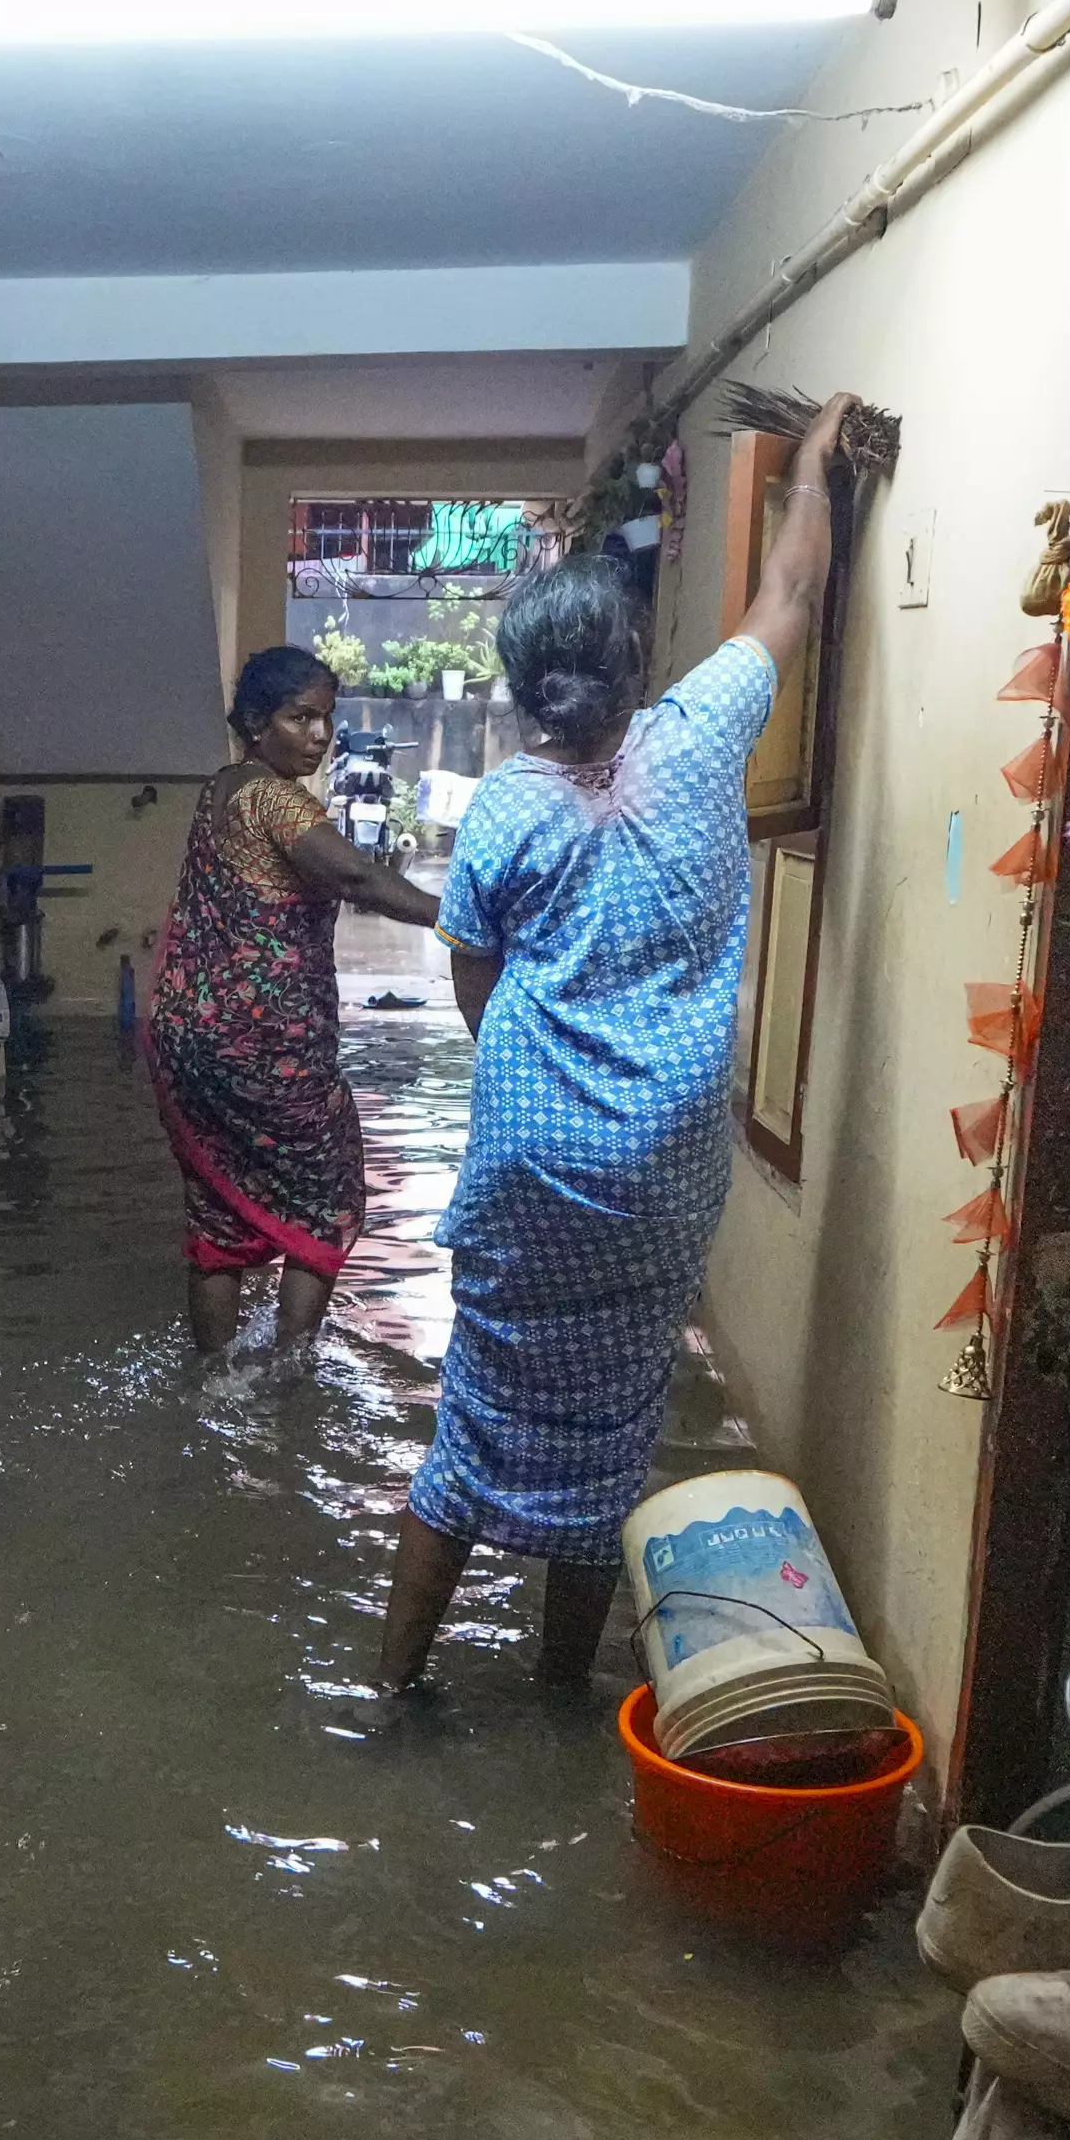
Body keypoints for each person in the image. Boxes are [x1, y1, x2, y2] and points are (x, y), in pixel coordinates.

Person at [374, 395, 860, 1689]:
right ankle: (552, 1699)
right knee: (610, 1436)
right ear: (636, 662)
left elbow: (473, 972)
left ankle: (391, 1694)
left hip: (532, 1162)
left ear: (525, 692)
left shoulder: (503, 816)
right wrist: (813, 468)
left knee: (469, 1435)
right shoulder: (701, 744)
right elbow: (792, 593)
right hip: (659, 1175)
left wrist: (530, 1076)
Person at [149, 645, 446, 1356]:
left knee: (218, 1211)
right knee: (332, 1190)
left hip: (187, 1039)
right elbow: (360, 881)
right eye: (299, 717)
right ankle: (288, 1371)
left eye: (326, 720)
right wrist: (463, 916)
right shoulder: (276, 799)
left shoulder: (220, 788)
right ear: (257, 721)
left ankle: (215, 1377)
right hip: (264, 1047)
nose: (318, 736)